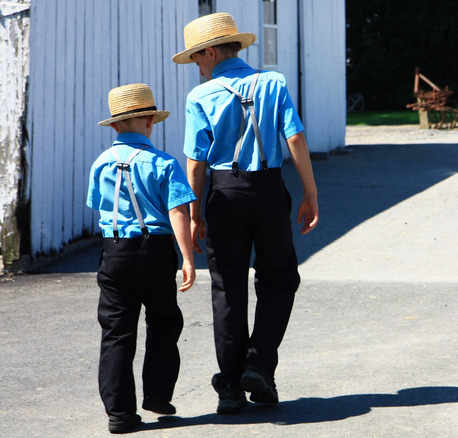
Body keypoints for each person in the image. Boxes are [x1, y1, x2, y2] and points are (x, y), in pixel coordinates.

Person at [172, 12, 319, 415]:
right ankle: (259, 365)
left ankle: (230, 388)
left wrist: (195, 211)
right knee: (280, 277)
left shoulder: (200, 97)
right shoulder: (273, 82)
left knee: (228, 288)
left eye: (197, 59)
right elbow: (295, 137)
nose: (197, 68)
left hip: (224, 193)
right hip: (269, 190)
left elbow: (195, 162)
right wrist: (310, 191)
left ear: (212, 51)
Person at [86, 83, 197, 433]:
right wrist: (187, 257)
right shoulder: (163, 162)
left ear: (115, 125)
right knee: (163, 321)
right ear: (151, 121)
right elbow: (178, 211)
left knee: (117, 332)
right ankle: (158, 395)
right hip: (156, 248)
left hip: (114, 251)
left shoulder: (101, 163)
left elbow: (97, 206)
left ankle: (120, 413)